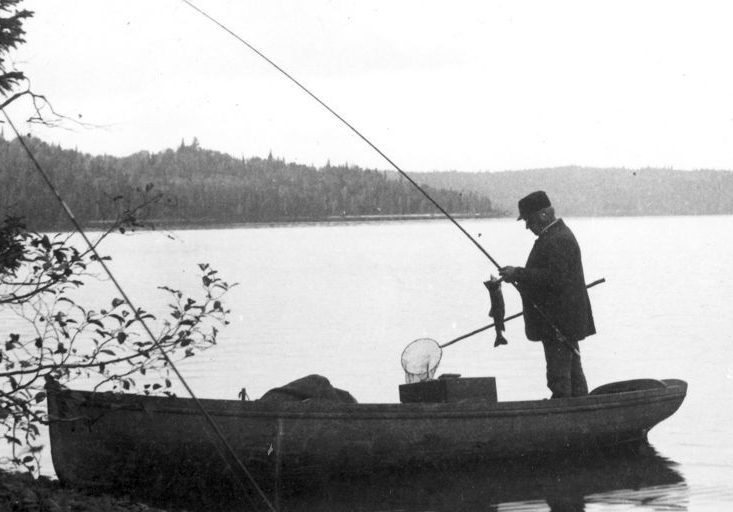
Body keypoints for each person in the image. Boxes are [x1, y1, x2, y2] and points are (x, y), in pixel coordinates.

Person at [498, 191, 595, 398]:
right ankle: (581, 410)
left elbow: (554, 278)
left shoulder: (557, 239)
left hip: (559, 322)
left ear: (543, 216)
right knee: (573, 372)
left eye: (528, 220)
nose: (527, 226)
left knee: (559, 376)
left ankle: (564, 416)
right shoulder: (556, 235)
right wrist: (518, 275)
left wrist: (518, 273)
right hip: (564, 320)